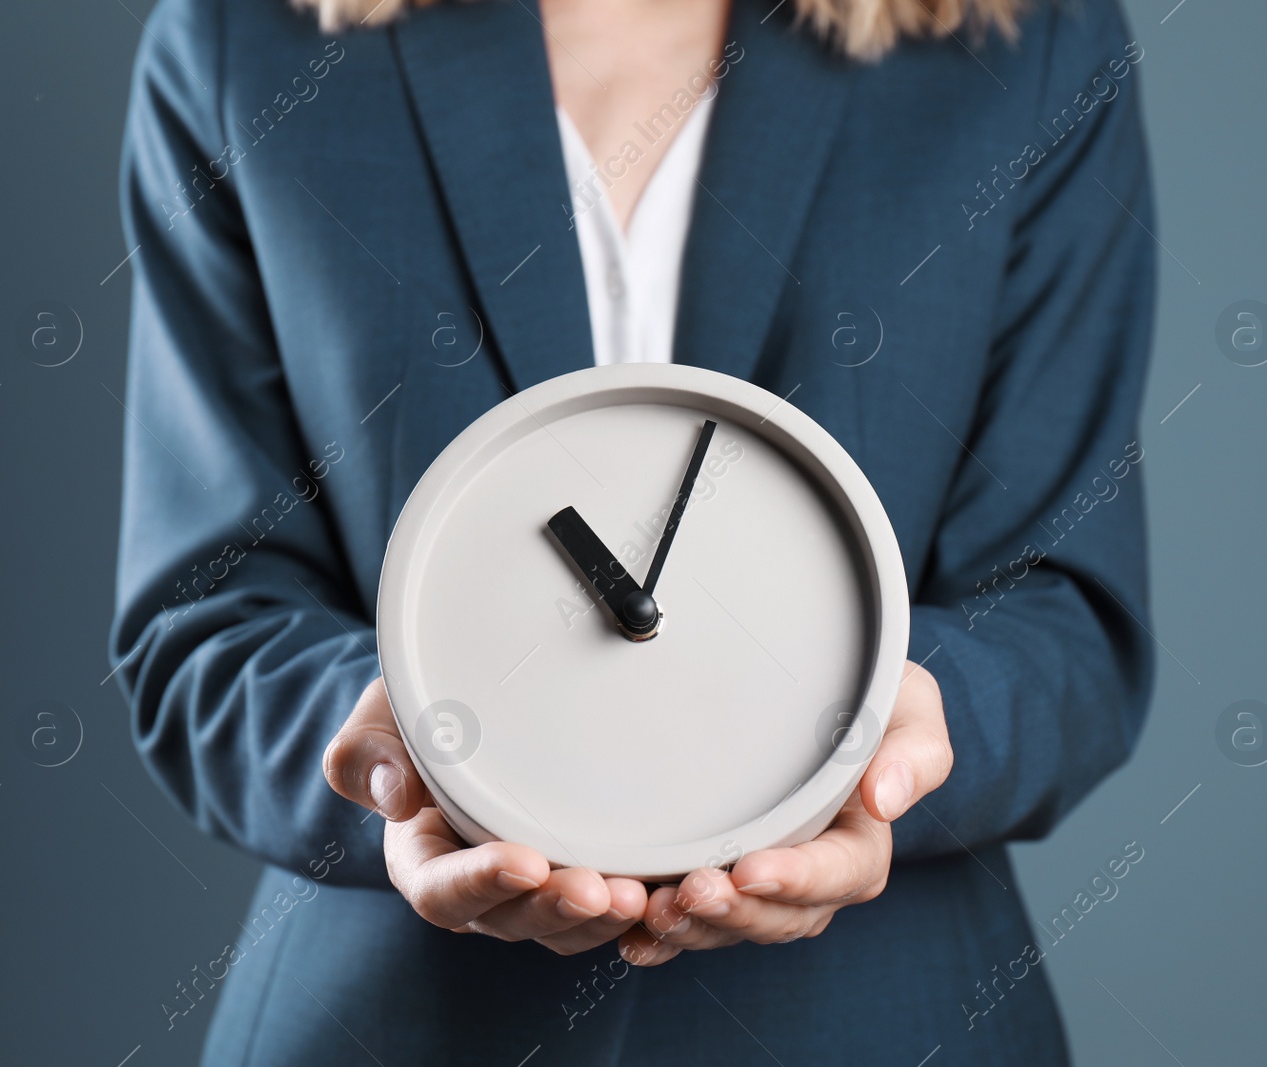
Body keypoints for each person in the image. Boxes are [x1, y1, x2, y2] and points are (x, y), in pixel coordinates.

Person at [110, 0, 1156, 1061]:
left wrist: (900, 733)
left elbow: (1063, 622)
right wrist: (409, 764)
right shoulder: (244, 42)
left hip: (875, 1023)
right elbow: (206, 623)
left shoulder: (1026, 39)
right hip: (400, 1021)